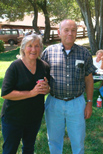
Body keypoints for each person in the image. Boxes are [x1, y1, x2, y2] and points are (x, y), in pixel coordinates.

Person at [41, 19, 96, 154]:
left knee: (78, 141)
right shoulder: (49, 52)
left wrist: (89, 103)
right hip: (54, 102)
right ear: (59, 32)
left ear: (76, 33)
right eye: (66, 30)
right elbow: (41, 76)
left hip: (76, 103)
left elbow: (89, 80)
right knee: (54, 140)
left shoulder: (84, 53)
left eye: (73, 30)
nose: (70, 33)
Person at [1, 34, 50, 154]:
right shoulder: (15, 67)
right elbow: (6, 93)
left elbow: (48, 89)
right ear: (23, 48)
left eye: (37, 46)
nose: (33, 50)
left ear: (40, 48)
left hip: (34, 117)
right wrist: (31, 93)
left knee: (29, 148)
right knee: (10, 150)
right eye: (30, 46)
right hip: (13, 118)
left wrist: (46, 88)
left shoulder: (44, 66)